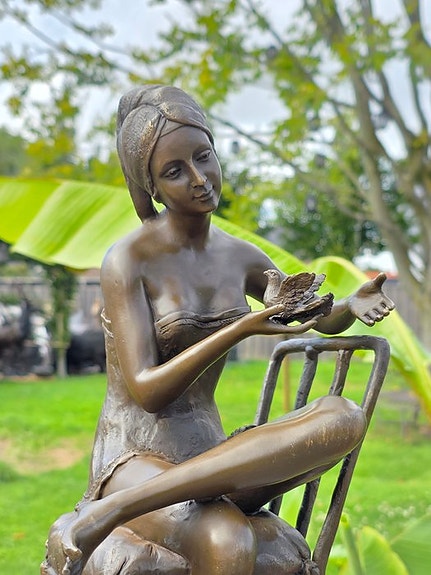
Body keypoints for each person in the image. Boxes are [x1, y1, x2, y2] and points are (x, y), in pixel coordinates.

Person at [41, 85, 395, 575]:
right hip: (133, 458)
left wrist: (350, 305)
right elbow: (147, 392)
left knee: (343, 417)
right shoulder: (129, 260)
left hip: (210, 455)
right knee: (228, 538)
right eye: (174, 171)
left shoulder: (240, 256)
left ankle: (115, 513)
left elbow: (310, 314)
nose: (199, 178)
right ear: (151, 187)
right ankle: (110, 505)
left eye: (203, 157)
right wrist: (240, 329)